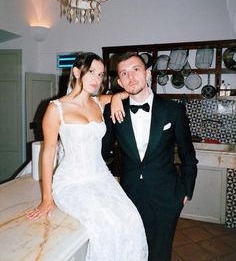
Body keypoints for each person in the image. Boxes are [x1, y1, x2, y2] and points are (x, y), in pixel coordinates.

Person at [26, 52, 148, 261]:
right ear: (76, 72)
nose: (96, 79)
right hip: (72, 182)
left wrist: (117, 96)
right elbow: (48, 153)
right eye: (91, 72)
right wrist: (47, 199)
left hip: (101, 177)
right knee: (103, 227)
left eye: (100, 74)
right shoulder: (56, 109)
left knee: (132, 219)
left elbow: (128, 92)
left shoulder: (99, 102)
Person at [102, 52, 198, 261]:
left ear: (148, 74)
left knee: (160, 253)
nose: (131, 77)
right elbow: (101, 153)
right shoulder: (113, 110)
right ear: (119, 81)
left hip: (167, 196)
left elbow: (188, 155)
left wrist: (186, 191)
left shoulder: (173, 110)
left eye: (136, 70)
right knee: (132, 251)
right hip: (129, 196)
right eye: (124, 73)